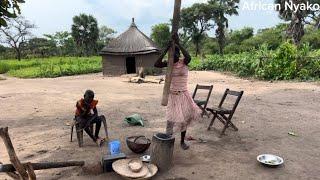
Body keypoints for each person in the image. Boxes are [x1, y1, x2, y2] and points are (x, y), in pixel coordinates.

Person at [154, 35, 201, 150]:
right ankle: (168, 140)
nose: (172, 56)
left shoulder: (184, 62)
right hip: (172, 96)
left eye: (175, 53)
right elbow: (156, 64)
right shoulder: (169, 63)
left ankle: (182, 142)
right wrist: (166, 48)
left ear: (178, 54)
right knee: (170, 119)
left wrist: (178, 44)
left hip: (183, 95)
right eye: (171, 54)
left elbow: (189, 56)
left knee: (184, 119)